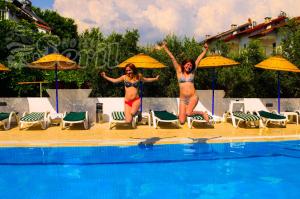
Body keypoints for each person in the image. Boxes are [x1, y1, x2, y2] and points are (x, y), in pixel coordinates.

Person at [161, 41, 209, 124]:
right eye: (187, 64)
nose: (189, 66)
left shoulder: (192, 72)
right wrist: (165, 48)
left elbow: (198, 59)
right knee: (182, 121)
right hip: (183, 99)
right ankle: (182, 114)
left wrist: (205, 50)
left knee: (188, 113)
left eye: (190, 65)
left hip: (193, 97)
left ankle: (202, 113)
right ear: (183, 65)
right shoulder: (179, 71)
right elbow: (172, 58)